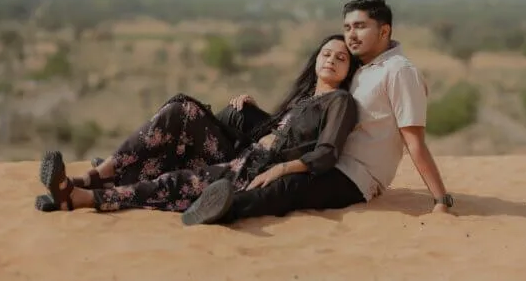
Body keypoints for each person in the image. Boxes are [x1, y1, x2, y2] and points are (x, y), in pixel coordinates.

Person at [183, 0, 453, 225]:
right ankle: (199, 170)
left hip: (353, 175)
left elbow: (414, 142)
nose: (351, 35)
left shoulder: (399, 71)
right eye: (347, 27)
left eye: (360, 26)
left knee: (287, 187)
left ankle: (221, 207)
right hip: (320, 152)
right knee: (240, 114)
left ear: (384, 31)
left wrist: (441, 200)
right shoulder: (362, 66)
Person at [34, 34, 361, 224]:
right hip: (244, 156)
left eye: (341, 58)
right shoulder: (303, 98)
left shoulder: (340, 101)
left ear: (348, 71)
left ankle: (79, 197)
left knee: (174, 183)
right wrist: (254, 112)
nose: (331, 60)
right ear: (315, 59)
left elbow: (327, 152)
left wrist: (283, 170)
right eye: (326, 53)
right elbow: (280, 132)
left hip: (257, 170)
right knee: (180, 110)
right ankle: (95, 176)